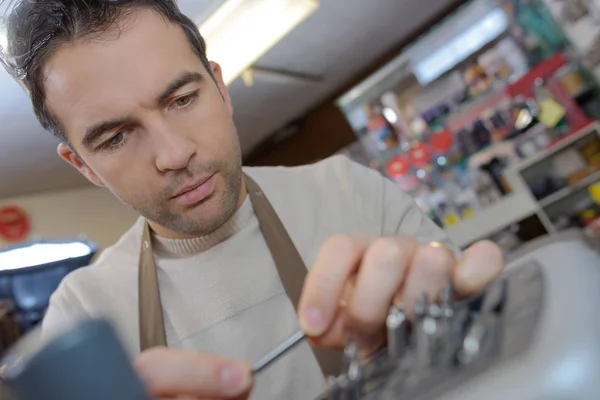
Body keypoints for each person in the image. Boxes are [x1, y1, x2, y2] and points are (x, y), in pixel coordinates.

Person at [3, 1, 504, 399]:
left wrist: (466, 312)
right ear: (83, 165)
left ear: (220, 88)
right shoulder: (83, 315)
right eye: (115, 138)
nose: (175, 154)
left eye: (182, 100)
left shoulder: (350, 193)